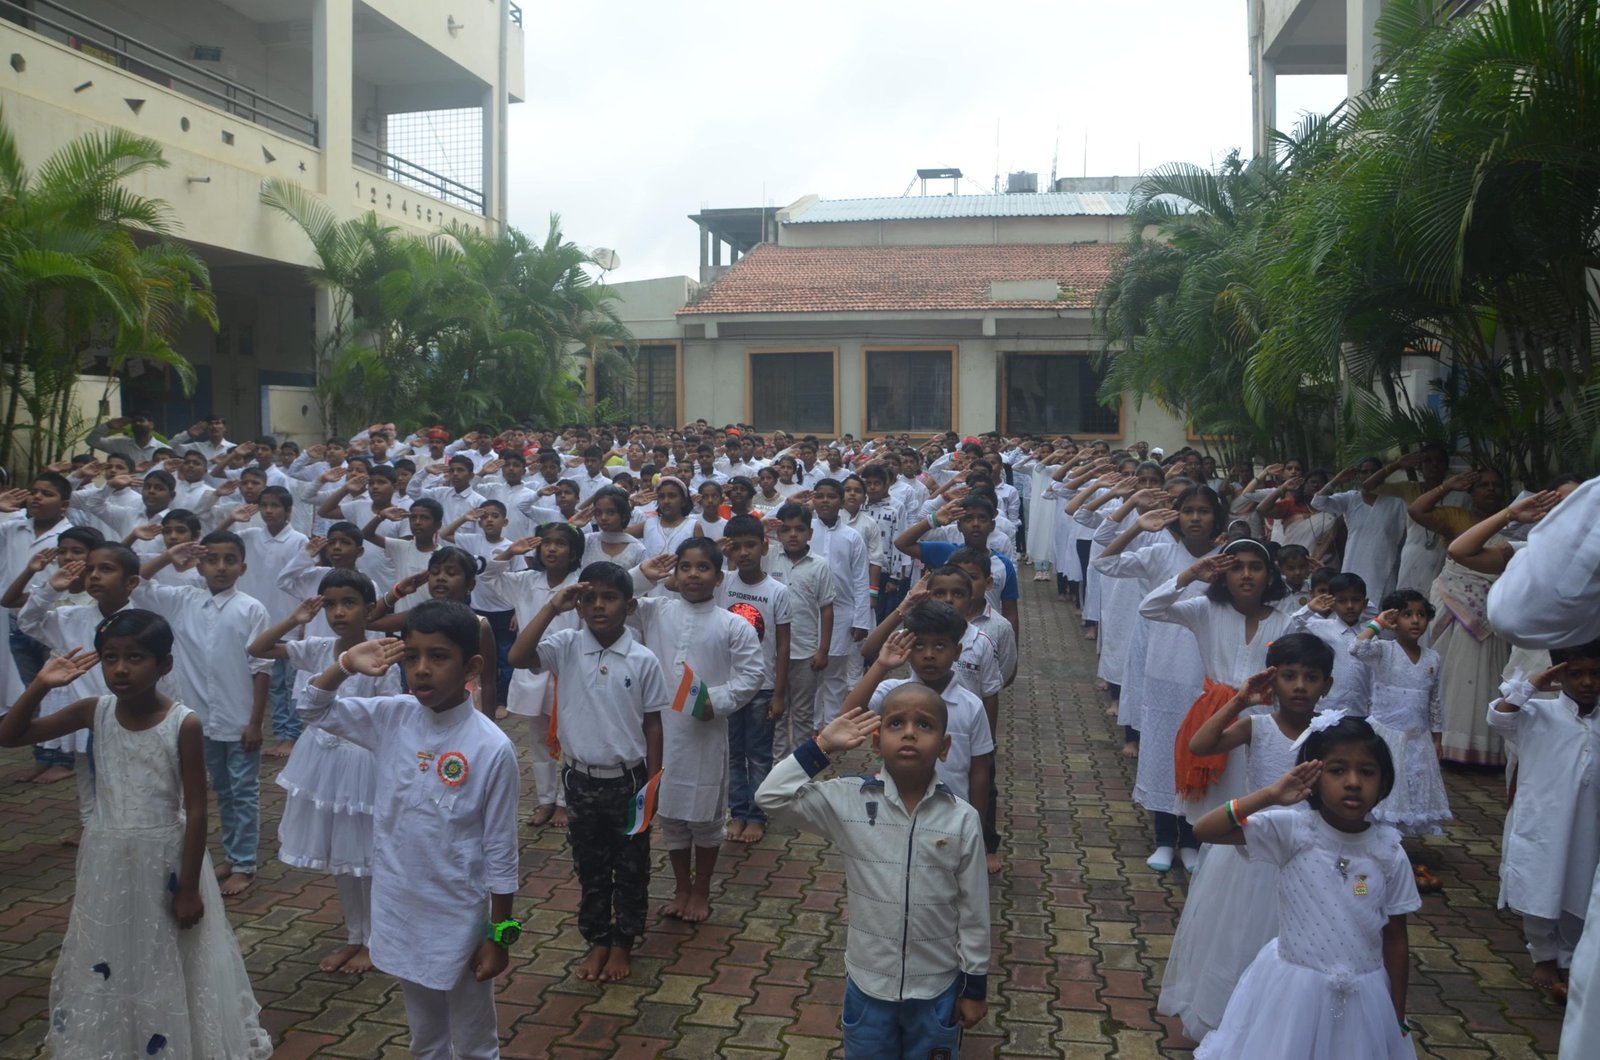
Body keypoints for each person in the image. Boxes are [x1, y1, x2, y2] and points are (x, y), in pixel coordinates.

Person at [0, 613, 272, 1057]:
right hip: (108, 858)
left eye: (135, 658)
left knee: (168, 953)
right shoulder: (94, 711)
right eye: (110, 658)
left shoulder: (182, 722)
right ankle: (123, 1041)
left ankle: (179, 1040)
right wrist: (42, 685)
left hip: (166, 862)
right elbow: (10, 736)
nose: (121, 669)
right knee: (114, 951)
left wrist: (188, 888)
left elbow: (197, 809)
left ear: (164, 664)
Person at [299, 602, 520, 1059]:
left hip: (459, 915)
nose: (420, 669)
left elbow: (501, 849)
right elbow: (312, 708)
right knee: (425, 1037)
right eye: (411, 656)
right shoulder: (392, 717)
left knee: (475, 1042)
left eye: (438, 657)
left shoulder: (491, 747)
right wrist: (345, 663)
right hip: (400, 905)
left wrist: (500, 935)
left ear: (471, 667)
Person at [756, 696, 989, 1058]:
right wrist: (821, 746)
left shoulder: (961, 819)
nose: (909, 733)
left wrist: (975, 988)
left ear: (944, 747)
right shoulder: (849, 800)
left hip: (936, 989)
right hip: (868, 986)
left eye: (924, 724)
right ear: (876, 742)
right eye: (896, 723)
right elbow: (770, 796)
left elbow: (975, 910)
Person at [1191, 717, 1419, 1059]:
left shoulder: (1388, 851)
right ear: (1313, 777)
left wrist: (1396, 1012)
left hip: (1364, 998)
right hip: (1292, 994)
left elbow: (1397, 937)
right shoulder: (1294, 832)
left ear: (1384, 781)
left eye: (1367, 772)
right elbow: (1205, 829)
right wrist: (1269, 795)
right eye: (1337, 771)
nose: (1353, 783)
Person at [1158, 634, 1334, 1042]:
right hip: (1252, 852)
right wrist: (1239, 701)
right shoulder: (1258, 726)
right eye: (1289, 676)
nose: (1300, 686)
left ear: (1327, 684)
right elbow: (1200, 745)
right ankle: (1231, 1026)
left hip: (1309, 851)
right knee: (1240, 938)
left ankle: (1284, 1029)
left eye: (1311, 677)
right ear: (1272, 681)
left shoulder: (1331, 730)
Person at [509, 560, 668, 982]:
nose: (599, 606)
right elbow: (517, 656)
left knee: (631, 867)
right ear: (578, 606)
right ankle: (598, 939)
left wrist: (653, 784)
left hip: (629, 782)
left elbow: (653, 724)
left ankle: (623, 942)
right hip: (579, 781)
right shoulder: (565, 645)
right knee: (590, 867)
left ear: (629, 605)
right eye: (589, 598)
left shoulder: (643, 658)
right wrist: (551, 606)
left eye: (609, 597)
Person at [248, 570, 395, 974]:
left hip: (364, 765)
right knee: (343, 859)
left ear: (369, 609)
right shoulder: (318, 648)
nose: (338, 612)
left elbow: (388, 716)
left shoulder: (383, 652)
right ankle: (355, 935)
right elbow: (257, 647)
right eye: (330, 604)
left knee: (368, 859)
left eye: (348, 603)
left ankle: (377, 941)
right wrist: (294, 619)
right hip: (324, 765)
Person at [1139, 538, 1295, 875]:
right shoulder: (1205, 609)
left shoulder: (1286, 622)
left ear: (1270, 576)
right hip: (1215, 715)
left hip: (1261, 721)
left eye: (1255, 567)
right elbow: (1150, 608)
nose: (1246, 575)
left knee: (1250, 796)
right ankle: (1192, 847)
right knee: (1211, 795)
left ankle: (1238, 872)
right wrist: (1191, 574)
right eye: (1237, 567)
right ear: (1223, 575)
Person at [630, 538, 764, 924]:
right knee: (670, 814)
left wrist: (715, 701)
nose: (693, 575)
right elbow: (614, 597)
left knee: (705, 817)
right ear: (674, 575)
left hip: (706, 733)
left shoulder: (733, 624)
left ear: (719, 577)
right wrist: (642, 575)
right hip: (660, 733)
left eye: (703, 568)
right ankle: (681, 889)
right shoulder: (656, 610)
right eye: (685, 567)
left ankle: (701, 889)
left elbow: (752, 675)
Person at [135, 533, 271, 896]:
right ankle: (232, 855)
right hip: (199, 720)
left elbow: (261, 668)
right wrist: (168, 556)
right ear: (199, 565)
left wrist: (256, 722)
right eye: (212, 559)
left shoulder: (251, 609)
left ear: (243, 567)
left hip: (239, 719)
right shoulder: (183, 600)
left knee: (243, 792)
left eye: (230, 560)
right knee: (221, 789)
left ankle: (244, 864)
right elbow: (137, 585)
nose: (221, 567)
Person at [1488, 641, 1600, 1002]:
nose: (1587, 682)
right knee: (1541, 885)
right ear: (1558, 674)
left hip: (1587, 824)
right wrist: (1533, 684)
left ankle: (1569, 957)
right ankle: (1544, 956)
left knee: (1580, 886)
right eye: (1576, 673)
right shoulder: (1538, 713)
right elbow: (1499, 717)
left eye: (1595, 674)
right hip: (1543, 823)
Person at [842, 602, 994, 818]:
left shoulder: (971, 705)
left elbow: (980, 771)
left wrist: (977, 822)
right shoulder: (892, 692)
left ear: (957, 651)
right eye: (919, 645)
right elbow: (847, 717)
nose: (929, 654)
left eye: (940, 645)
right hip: (893, 813)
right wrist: (881, 665)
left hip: (951, 817)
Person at [483, 523, 583, 827]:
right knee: (538, 740)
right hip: (533, 672)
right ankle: (545, 800)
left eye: (560, 543)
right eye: (546, 543)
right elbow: (487, 577)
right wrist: (509, 553)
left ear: (574, 552)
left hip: (569, 674)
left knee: (569, 739)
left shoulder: (581, 584)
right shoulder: (526, 581)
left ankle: (565, 803)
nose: (551, 549)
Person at [1409, 469, 1512, 764]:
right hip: (1452, 599)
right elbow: (1417, 510)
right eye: (1483, 485)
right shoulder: (1455, 517)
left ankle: (1481, 746)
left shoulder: (1516, 525)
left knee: (1485, 670)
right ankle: (1441, 740)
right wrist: (1446, 486)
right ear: (1472, 492)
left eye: (1496, 485)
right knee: (1446, 668)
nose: (1490, 490)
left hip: (1492, 604)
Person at [1352, 591, 1451, 851]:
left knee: (1410, 784)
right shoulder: (1383, 650)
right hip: (1386, 733)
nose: (1415, 621)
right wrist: (1378, 624)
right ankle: (1372, 841)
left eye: (1421, 614)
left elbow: (1434, 701)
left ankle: (1395, 845)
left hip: (1417, 736)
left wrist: (1437, 736)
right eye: (1407, 615)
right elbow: (1356, 648)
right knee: (1387, 784)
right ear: (1394, 620)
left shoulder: (1432, 658)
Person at [717, 515, 791, 844]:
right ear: (727, 549)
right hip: (729, 685)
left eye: (750, 545)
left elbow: (784, 644)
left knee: (759, 754)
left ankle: (757, 815)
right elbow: (677, 583)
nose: (744, 553)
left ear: (765, 546)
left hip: (762, 687)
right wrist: (715, 551)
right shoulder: (721, 583)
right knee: (733, 752)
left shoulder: (777, 591)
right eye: (736, 547)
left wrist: (779, 693)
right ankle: (738, 812)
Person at [767, 503, 836, 760]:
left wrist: (823, 650)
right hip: (774, 653)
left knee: (803, 714)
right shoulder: (770, 557)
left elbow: (826, 609)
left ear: (810, 533)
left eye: (800, 529)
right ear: (778, 533)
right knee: (776, 712)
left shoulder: (819, 565)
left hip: (805, 652)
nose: (793, 535)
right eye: (786, 530)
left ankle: (799, 768)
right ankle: (777, 766)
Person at [1311, 462, 1407, 603]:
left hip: (1385, 565)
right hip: (1354, 563)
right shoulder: (1350, 498)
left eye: (1374, 471)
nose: (1370, 475)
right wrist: (1337, 480)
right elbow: (1318, 502)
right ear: (1358, 475)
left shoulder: (1396, 503)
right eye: (1365, 472)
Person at [1290, 572, 1376, 717]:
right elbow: (1291, 627)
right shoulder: (1319, 628)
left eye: (1356, 600)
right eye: (1342, 601)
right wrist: (1309, 608)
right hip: (1324, 711)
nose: (1350, 606)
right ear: (1332, 602)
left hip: (1360, 712)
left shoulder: (1371, 636)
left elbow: (1374, 677)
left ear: (1365, 602)